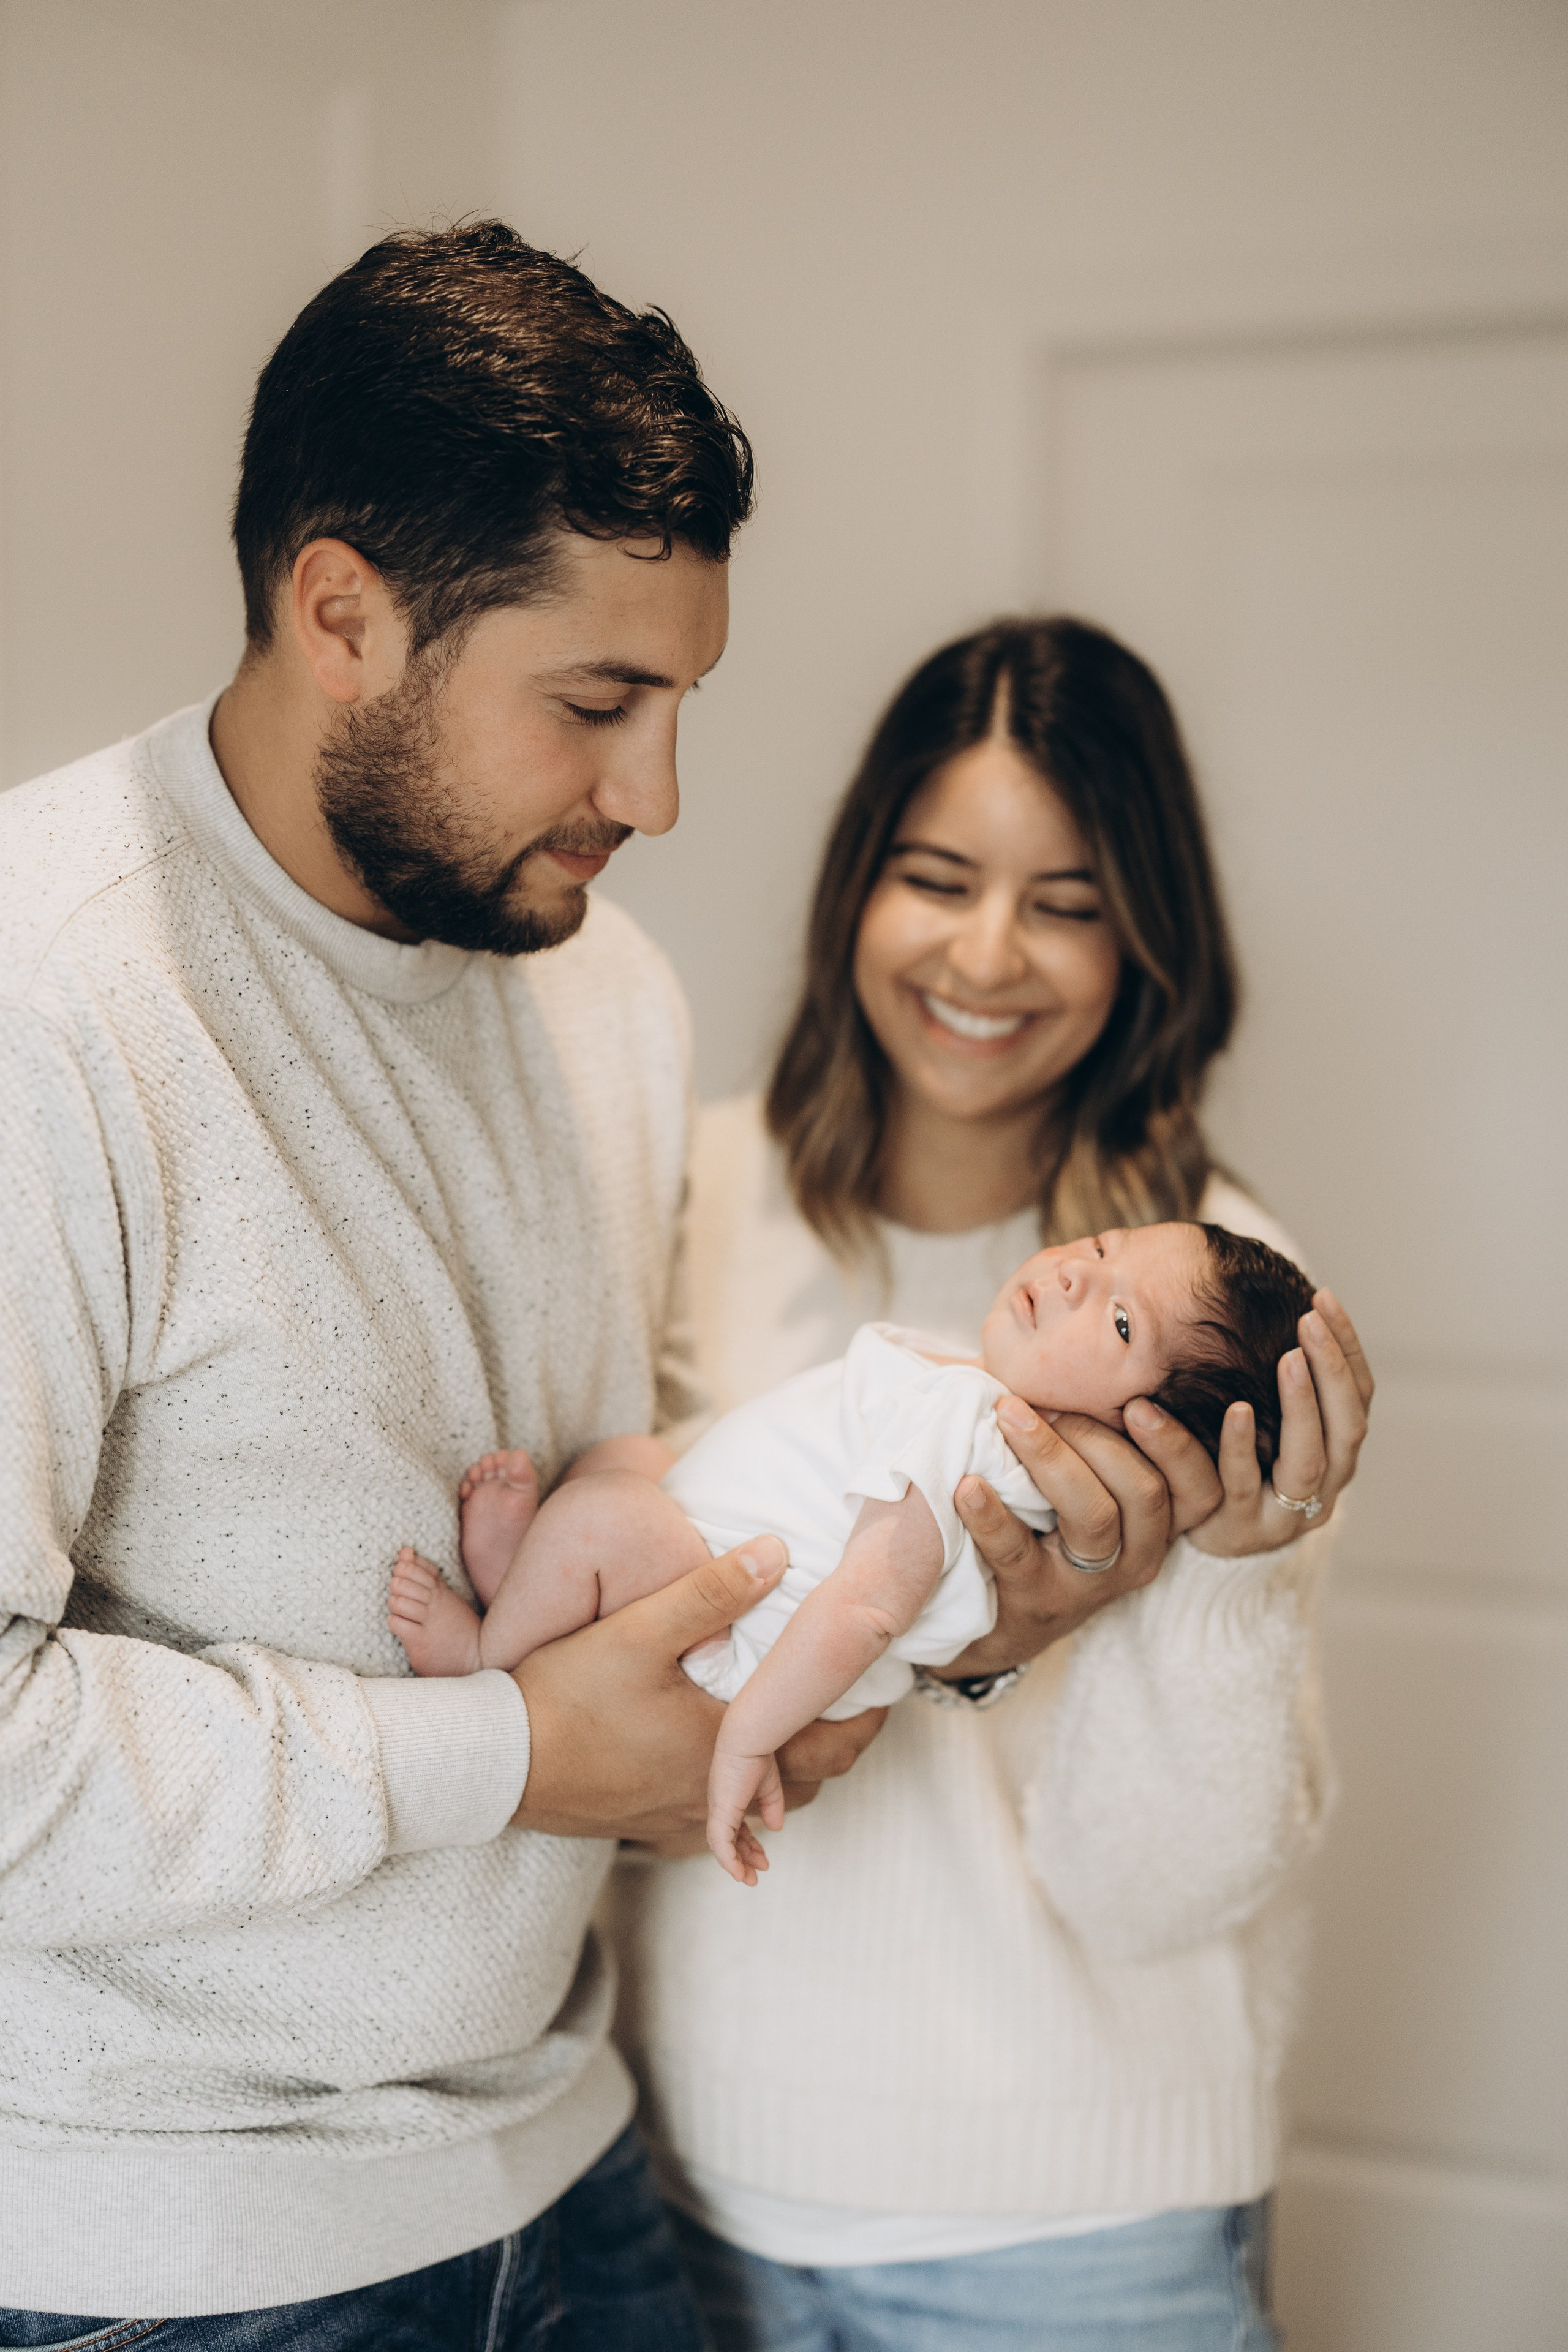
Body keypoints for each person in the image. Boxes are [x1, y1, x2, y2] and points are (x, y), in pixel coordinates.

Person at [0, 222, 905, 2342]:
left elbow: (638, 1510)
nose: (657, 798)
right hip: (170, 2266)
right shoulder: (49, 1004)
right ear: (342, 611)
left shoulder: (609, 992)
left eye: (680, 702)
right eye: (595, 703)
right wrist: (513, 1754)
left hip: (563, 2167)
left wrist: (850, 1653)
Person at [608, 617, 1375, 2351]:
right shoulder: (693, 1197)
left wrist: (1232, 1582)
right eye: (937, 876)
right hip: (683, 2194)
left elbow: (1166, 1887)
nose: (985, 954)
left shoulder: (1218, 1308)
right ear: (854, 888)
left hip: (1075, 2235)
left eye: (1070, 900)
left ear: (1149, 936)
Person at [389, 1222, 1312, 1885]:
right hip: (725, 1570)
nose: (1076, 1277)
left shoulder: (973, 1434)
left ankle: (490, 1657)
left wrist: (744, 1739)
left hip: (742, 1645)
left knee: (603, 1517)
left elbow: (868, 1605)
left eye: (1121, 1327)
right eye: (1106, 1249)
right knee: (630, 1464)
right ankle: (534, 1589)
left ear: (1145, 1437)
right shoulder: (982, 1409)